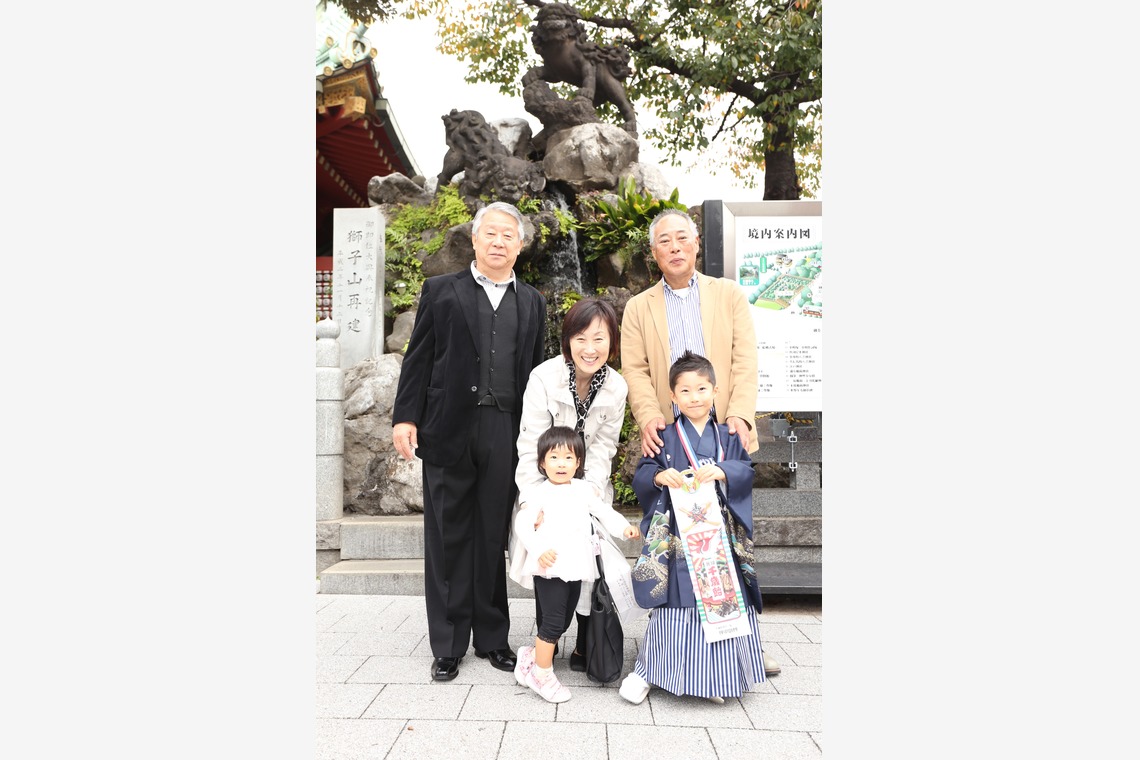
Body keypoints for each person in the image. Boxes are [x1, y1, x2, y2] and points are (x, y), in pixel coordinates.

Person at [619, 207, 780, 677]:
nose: (674, 246)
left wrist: (740, 414)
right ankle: (669, 651)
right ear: (654, 252)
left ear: (695, 245)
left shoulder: (727, 294)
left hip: (721, 432)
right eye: (664, 240)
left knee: (730, 545)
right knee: (676, 551)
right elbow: (636, 369)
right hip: (670, 438)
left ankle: (745, 648)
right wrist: (649, 415)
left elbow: (745, 358)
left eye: (681, 238)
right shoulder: (638, 307)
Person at [391, 201, 547, 682]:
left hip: (507, 430)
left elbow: (536, 373)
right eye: (491, 234)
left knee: (492, 534)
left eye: (509, 235)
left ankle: (493, 639)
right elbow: (419, 358)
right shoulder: (441, 290)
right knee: (447, 535)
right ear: (475, 240)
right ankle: (448, 643)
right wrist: (405, 417)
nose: (499, 242)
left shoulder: (533, 301)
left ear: (520, 246)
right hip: (447, 426)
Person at [619, 351, 766, 705]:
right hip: (679, 536)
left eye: (702, 388)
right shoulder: (665, 435)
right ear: (672, 396)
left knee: (722, 596)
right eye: (685, 391)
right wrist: (657, 475)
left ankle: (717, 676)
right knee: (677, 600)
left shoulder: (728, 435)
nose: (694, 397)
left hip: (717, 536)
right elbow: (641, 472)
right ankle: (650, 670)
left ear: (715, 391)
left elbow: (746, 471)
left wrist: (724, 471)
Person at [508, 297, 627, 672]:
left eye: (599, 339)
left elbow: (606, 446)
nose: (589, 349)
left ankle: (584, 644)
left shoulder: (617, 386)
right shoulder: (544, 377)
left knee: (588, 563)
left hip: (585, 487)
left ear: (612, 343)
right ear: (567, 340)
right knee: (548, 560)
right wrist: (533, 500)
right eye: (580, 338)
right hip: (544, 485)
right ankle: (549, 639)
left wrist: (589, 494)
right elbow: (530, 443)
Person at [512, 426, 641, 703]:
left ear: (578, 462)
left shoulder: (583, 490)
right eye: (554, 458)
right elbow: (523, 524)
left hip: (576, 567)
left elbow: (604, 512)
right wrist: (537, 549)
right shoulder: (539, 493)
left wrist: (623, 528)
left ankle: (530, 655)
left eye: (568, 458)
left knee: (566, 617)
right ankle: (542, 674)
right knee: (554, 622)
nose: (561, 464)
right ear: (542, 463)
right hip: (550, 568)